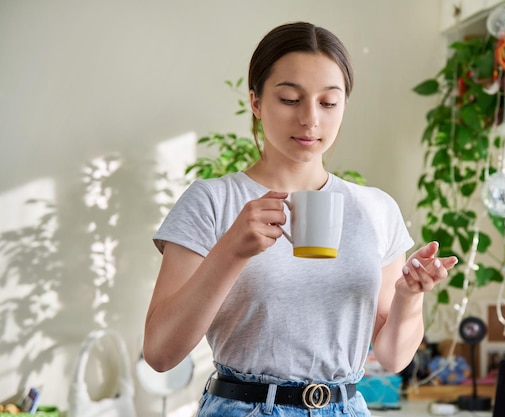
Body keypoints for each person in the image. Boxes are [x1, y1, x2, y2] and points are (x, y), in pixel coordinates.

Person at [143, 21, 458, 416]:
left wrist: (410, 297)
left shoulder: (376, 208)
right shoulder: (213, 201)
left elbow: (393, 357)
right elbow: (159, 354)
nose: (311, 119)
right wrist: (231, 252)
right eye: (291, 99)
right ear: (256, 102)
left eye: (328, 103)